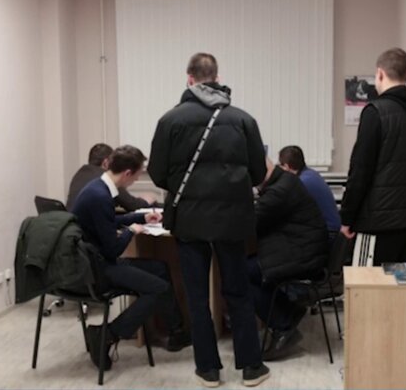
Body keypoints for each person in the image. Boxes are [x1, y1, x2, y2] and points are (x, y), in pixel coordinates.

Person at [148, 53, 270, 388]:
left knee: (197, 295)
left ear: (189, 78)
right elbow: (258, 172)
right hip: (232, 220)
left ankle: (208, 369)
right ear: (216, 78)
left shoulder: (170, 120)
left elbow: (157, 173)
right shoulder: (243, 120)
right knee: (238, 291)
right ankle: (251, 367)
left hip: (189, 221)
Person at [70, 145, 191, 371]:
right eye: (136, 176)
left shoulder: (97, 188)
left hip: (95, 260)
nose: (135, 180)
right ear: (127, 173)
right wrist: (131, 231)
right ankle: (107, 334)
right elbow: (114, 249)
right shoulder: (100, 196)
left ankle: (176, 331)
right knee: (157, 288)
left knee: (159, 268)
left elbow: (107, 222)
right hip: (97, 269)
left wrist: (140, 218)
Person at [340, 48, 406, 264]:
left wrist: (347, 217)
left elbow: (361, 170)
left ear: (380, 74)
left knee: (367, 282)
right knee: (400, 282)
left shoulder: (375, 112)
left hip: (378, 221)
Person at [249, 157, 328, 361]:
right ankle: (288, 311)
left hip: (302, 254)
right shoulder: (286, 181)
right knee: (251, 267)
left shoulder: (278, 191)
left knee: (240, 275)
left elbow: (251, 224)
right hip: (304, 249)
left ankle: (282, 326)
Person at [66, 143, 156, 211]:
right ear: (106, 163)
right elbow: (131, 204)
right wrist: (146, 201)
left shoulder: (81, 173)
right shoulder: (105, 181)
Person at [278, 145, 341, 236]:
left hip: (327, 232)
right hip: (331, 229)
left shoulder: (303, 182)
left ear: (286, 166)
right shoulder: (310, 174)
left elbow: (287, 209)